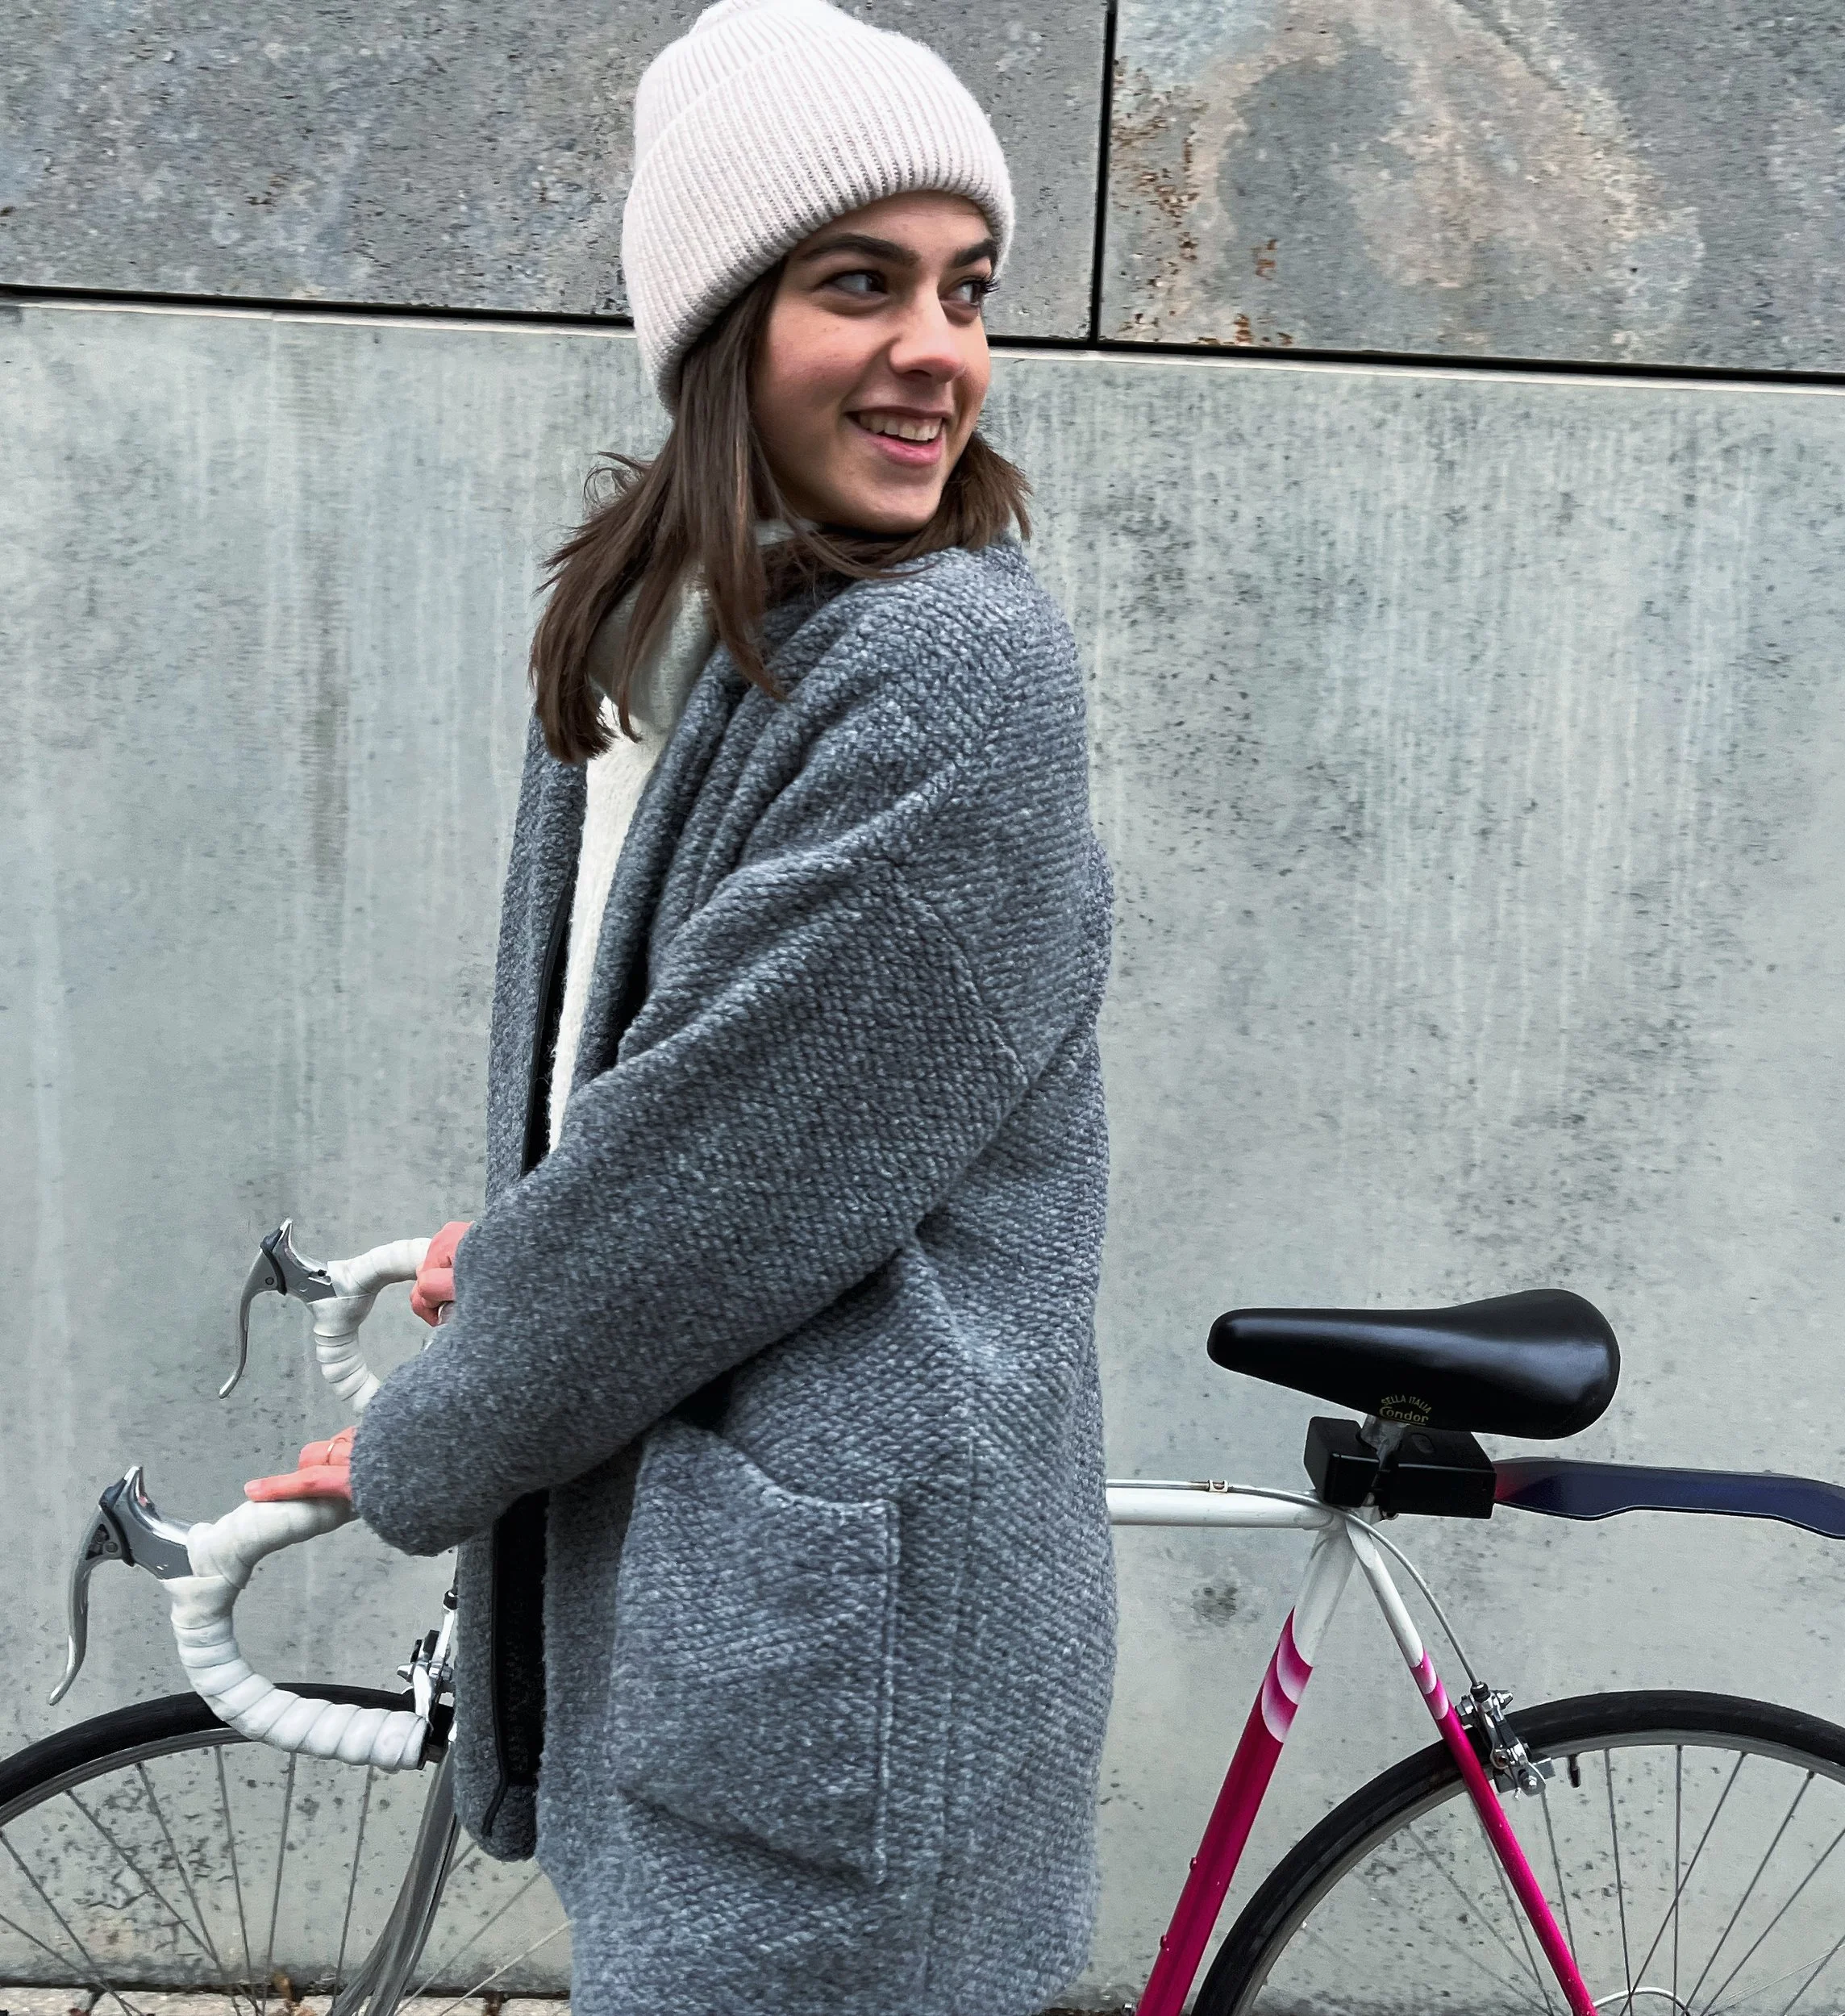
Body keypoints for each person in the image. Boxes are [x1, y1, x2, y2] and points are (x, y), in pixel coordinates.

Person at [243, 0, 1117, 2010]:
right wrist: (504, 1250)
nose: (938, 350)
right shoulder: (671, 623)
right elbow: (639, 1101)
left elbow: (696, 1191)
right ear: (718, 328)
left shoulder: (948, 675)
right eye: (858, 282)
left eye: (964, 291)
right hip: (729, 1608)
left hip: (852, 1665)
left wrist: (420, 1453)